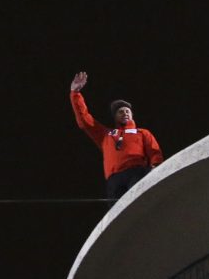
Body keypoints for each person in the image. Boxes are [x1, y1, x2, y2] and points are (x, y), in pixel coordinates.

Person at [69, 71, 164, 199]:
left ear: (132, 115)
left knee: (137, 201)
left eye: (127, 111)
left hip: (136, 172)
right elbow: (85, 121)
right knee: (118, 213)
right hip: (114, 179)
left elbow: (154, 151)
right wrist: (75, 94)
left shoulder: (142, 132)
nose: (125, 113)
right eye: (120, 112)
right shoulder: (106, 135)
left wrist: (156, 167)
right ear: (115, 117)